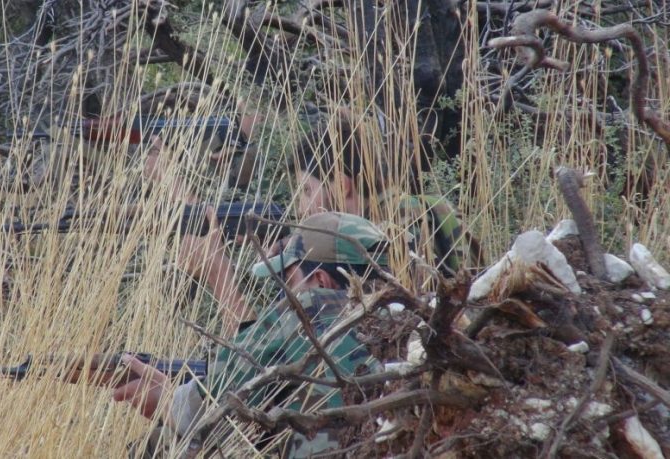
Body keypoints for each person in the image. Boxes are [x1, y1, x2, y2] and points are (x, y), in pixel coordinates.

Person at [112, 212, 390, 457]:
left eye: (289, 280)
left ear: (321, 280)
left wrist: (167, 400)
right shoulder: (405, 323)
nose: (285, 295)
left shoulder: (314, 306)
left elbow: (209, 405)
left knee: (165, 443)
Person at [290, 120, 483, 275]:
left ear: (341, 185)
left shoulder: (385, 231)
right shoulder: (426, 207)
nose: (301, 208)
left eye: (307, 191)